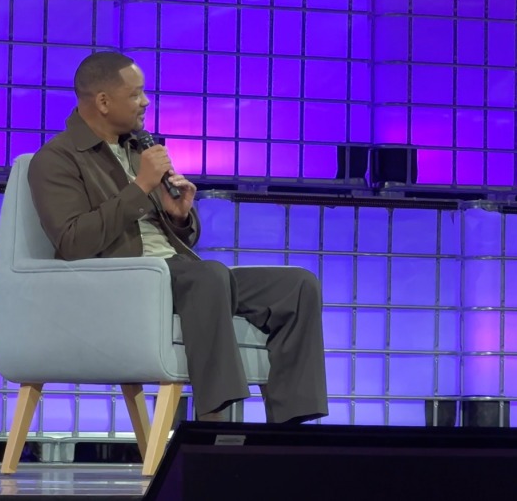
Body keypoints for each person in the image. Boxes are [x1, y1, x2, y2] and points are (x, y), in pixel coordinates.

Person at [27, 51, 328, 424]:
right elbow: (72, 242)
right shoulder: (57, 159)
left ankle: (289, 429)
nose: (146, 101)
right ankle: (213, 427)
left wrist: (181, 216)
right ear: (103, 102)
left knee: (298, 286)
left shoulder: (140, 149)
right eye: (136, 94)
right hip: (123, 280)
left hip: (180, 274)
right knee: (209, 275)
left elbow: (176, 237)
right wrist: (140, 188)